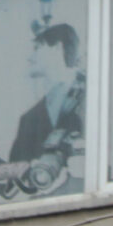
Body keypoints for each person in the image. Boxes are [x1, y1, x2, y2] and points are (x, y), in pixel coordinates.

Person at [8, 23, 86, 179]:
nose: (30, 57)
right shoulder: (27, 120)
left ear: (57, 47)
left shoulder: (93, 94)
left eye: (37, 48)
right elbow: (14, 178)